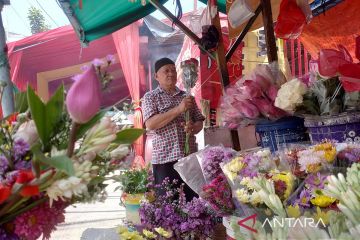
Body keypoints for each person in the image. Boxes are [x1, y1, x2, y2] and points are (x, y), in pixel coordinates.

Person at [142, 57, 205, 201]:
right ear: (156, 76)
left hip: (188, 157)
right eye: (166, 71)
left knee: (192, 201)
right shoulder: (150, 97)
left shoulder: (187, 96)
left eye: (173, 70)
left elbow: (199, 122)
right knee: (169, 204)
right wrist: (178, 109)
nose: (171, 73)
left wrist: (193, 127)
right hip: (165, 160)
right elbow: (150, 124)